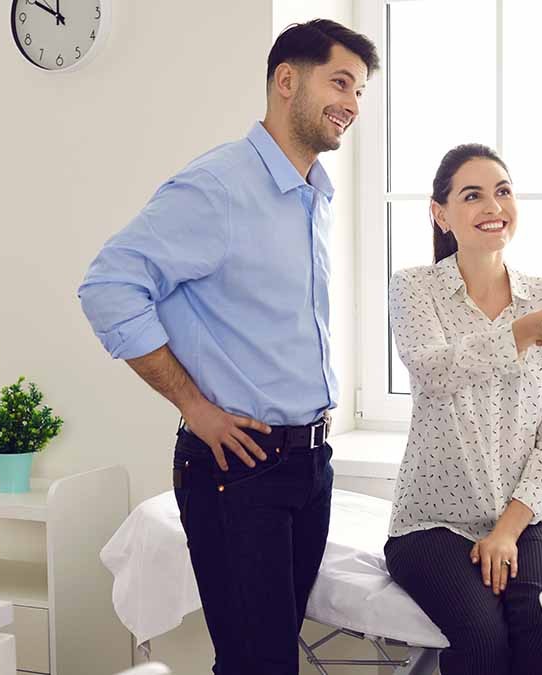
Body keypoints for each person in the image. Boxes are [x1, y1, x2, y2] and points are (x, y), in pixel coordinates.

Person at [77, 20, 378, 675]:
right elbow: (108, 285)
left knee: (263, 662)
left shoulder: (312, 196)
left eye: (360, 90)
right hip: (238, 466)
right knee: (259, 664)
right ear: (286, 80)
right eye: (340, 81)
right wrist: (194, 403)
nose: (353, 103)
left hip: (309, 463)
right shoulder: (219, 186)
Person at [384, 143, 542, 675]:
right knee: (482, 642)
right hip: (433, 524)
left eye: (502, 191)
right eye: (472, 195)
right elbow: (436, 371)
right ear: (440, 212)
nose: (492, 206)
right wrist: (525, 331)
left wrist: (506, 530)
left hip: (533, 518)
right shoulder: (414, 288)